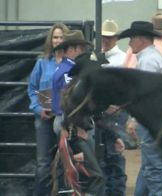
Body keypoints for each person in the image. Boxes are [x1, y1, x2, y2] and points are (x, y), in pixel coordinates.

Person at [119, 21, 162, 196]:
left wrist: (134, 119)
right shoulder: (152, 57)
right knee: (150, 168)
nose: (130, 42)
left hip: (152, 121)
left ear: (141, 39)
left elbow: (146, 96)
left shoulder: (148, 61)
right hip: (158, 120)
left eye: (132, 38)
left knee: (154, 170)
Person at [52, 30, 105, 195]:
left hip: (67, 123)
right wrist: (77, 126)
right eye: (81, 48)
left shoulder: (63, 69)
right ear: (73, 49)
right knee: (91, 174)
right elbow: (70, 103)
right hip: (72, 124)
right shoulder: (70, 72)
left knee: (76, 173)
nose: (83, 52)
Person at [28, 23, 69, 196]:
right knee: (43, 162)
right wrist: (38, 109)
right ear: (50, 40)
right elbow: (32, 88)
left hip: (65, 119)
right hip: (44, 118)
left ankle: (64, 193)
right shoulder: (42, 63)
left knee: (65, 161)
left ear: (67, 40)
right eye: (55, 37)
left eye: (61, 37)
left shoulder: (72, 64)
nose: (58, 40)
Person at [99, 18, 128, 196]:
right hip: (101, 112)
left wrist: (118, 105)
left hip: (116, 113)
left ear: (116, 38)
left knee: (114, 156)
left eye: (109, 37)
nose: (106, 40)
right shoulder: (98, 56)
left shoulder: (123, 59)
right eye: (103, 36)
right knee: (103, 156)